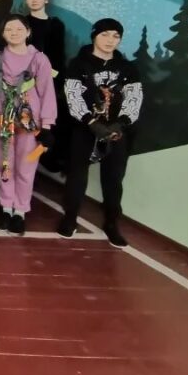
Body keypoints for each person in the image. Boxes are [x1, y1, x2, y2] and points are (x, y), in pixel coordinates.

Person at [58, 19, 142, 247]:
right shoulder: (78, 64)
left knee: (114, 177)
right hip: (85, 127)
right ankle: (70, 217)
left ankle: (112, 222)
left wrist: (121, 123)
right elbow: (73, 95)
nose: (110, 40)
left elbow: (134, 98)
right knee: (77, 175)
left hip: (116, 130)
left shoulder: (127, 68)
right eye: (105, 34)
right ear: (94, 36)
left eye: (115, 36)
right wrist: (91, 122)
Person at [0, 14, 57, 235]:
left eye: (19, 29)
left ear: (28, 32)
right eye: (9, 29)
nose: (14, 33)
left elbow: (47, 92)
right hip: (3, 121)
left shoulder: (39, 59)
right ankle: (5, 207)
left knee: (26, 167)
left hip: (30, 123)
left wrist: (47, 125)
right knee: (4, 164)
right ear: (3, 33)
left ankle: (20, 211)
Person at [23, 0, 68, 172]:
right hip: (25, 80)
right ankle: (26, 164)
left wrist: (55, 77)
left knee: (47, 120)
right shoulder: (22, 23)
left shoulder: (56, 24)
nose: (34, 0)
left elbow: (59, 55)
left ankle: (45, 159)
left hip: (50, 79)